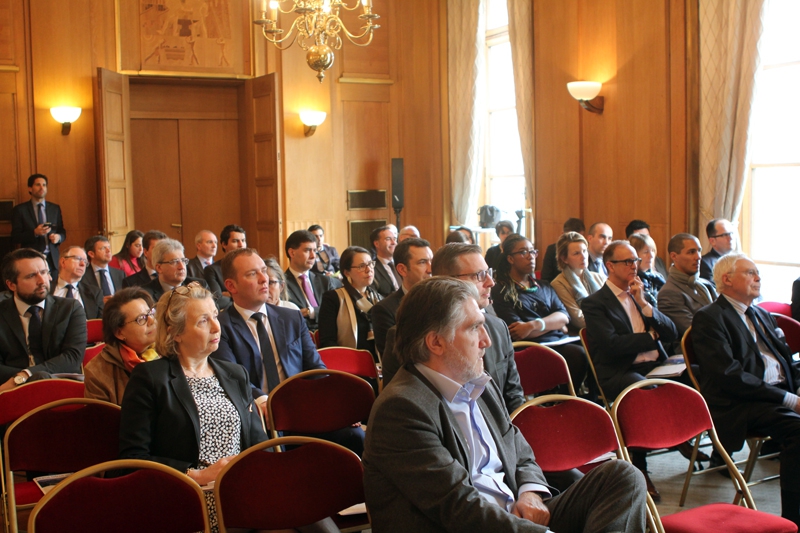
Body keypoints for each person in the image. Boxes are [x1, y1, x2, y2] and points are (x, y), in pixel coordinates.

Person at [363, 277, 647, 533]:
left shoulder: (478, 384)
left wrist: (530, 492)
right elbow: (459, 508)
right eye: (475, 328)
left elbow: (519, 450)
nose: (487, 340)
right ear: (436, 342)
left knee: (621, 476)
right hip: (471, 526)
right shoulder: (402, 409)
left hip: (513, 516)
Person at [119, 283, 267, 533]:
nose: (216, 327)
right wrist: (198, 475)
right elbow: (132, 458)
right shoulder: (151, 378)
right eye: (202, 321)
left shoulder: (235, 373)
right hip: (186, 499)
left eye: (215, 316)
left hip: (242, 495)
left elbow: (258, 444)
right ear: (175, 332)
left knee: (303, 513)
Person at [212, 248, 363, 457]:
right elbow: (233, 379)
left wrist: (335, 401)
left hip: (302, 408)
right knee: (276, 453)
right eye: (252, 274)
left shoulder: (290, 317)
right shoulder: (222, 327)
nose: (264, 279)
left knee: (356, 437)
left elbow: (315, 367)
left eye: (264, 271)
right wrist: (264, 401)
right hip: (259, 414)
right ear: (231, 286)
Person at [691, 253, 800, 527]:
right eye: (750, 272)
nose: (758, 277)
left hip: (775, 396)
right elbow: (730, 377)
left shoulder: (762, 314)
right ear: (727, 279)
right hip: (740, 403)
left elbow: (787, 361)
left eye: (757, 273)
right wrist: (790, 399)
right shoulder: (710, 318)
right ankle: (793, 520)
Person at [581, 240, 685, 501]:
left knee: (696, 373)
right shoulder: (595, 303)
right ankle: (640, 467)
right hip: (619, 370)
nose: (634, 266)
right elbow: (612, 345)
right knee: (642, 392)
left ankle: (690, 434)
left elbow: (672, 333)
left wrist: (646, 305)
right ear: (609, 266)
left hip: (656, 364)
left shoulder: (641, 291)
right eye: (627, 261)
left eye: (636, 261)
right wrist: (651, 337)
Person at [384, 242, 526, 414]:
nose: (491, 282)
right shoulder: (412, 334)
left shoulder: (498, 327)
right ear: (448, 281)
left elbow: (514, 396)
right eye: (479, 275)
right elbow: (403, 403)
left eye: (489, 273)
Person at [491, 234, 588, 396]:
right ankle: (554, 400)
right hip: (530, 348)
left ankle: (566, 401)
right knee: (570, 355)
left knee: (583, 352)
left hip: (557, 343)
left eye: (533, 252)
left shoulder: (544, 286)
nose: (531, 257)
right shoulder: (502, 290)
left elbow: (564, 317)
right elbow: (517, 332)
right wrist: (554, 325)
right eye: (523, 252)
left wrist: (533, 325)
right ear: (510, 259)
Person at [0, 249, 86, 387]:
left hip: (60, 387)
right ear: (11, 285)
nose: (42, 281)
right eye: (31, 276)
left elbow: (72, 358)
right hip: (9, 390)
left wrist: (26, 375)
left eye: (44, 272)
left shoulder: (70, 309)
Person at [84, 288, 158, 404]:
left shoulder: (171, 352)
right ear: (119, 333)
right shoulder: (97, 372)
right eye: (141, 319)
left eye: (151, 313)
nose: (151, 320)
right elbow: (101, 420)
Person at [318, 247, 383, 359]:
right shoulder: (333, 299)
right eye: (362, 266)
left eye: (370, 264)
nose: (369, 269)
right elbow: (328, 342)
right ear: (347, 272)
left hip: (379, 364)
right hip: (348, 365)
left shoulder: (379, 299)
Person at [372, 238, 432, 356]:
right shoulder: (385, 310)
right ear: (402, 269)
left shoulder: (443, 301)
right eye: (422, 262)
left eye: (431, 261)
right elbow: (395, 359)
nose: (430, 269)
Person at [657, 233, 716, 339]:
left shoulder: (706, 285)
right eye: (691, 252)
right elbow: (695, 331)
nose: (698, 257)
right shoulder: (669, 293)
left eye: (699, 251)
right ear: (674, 256)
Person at [284, 230, 343, 330]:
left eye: (314, 251)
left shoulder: (325, 282)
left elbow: (336, 311)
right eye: (307, 250)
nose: (313, 256)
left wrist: (309, 312)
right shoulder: (281, 285)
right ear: (292, 253)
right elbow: (289, 317)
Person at [11, 174, 66, 278]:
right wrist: (34, 233)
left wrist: (59, 237)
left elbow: (62, 231)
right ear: (30, 188)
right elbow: (15, 237)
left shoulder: (55, 208)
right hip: (31, 259)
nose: (42, 188)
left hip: (53, 259)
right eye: (38, 185)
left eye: (44, 185)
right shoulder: (20, 210)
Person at [550, 232, 605, 334]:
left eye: (585, 251)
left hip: (605, 329)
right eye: (576, 253)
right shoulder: (558, 283)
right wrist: (609, 320)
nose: (583, 256)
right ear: (564, 258)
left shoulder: (599, 277)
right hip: (583, 335)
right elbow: (579, 320)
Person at [142, 239, 209, 304]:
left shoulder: (200, 285)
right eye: (175, 262)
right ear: (159, 268)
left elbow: (214, 312)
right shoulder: (145, 294)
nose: (182, 267)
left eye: (183, 261)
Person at [50, 245, 104, 319]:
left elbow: (99, 324)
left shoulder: (95, 293)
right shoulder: (46, 290)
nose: (82, 264)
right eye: (78, 259)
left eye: (85, 261)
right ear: (63, 262)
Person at [204, 224, 247, 310]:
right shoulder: (212, 270)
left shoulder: (251, 267)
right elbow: (218, 301)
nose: (241, 245)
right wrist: (244, 296)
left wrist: (230, 294)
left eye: (243, 240)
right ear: (224, 244)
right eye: (235, 241)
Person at [540, 218, 585, 283]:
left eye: (579, 238)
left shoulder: (585, 250)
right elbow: (546, 279)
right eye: (570, 238)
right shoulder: (552, 250)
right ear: (562, 234)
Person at [82, 235, 125, 302]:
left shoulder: (120, 274)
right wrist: (100, 302)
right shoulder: (83, 275)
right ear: (91, 254)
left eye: (109, 247)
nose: (108, 251)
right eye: (103, 248)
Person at [628, 233, 665, 307]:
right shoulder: (630, 281)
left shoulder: (658, 277)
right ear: (634, 255)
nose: (651, 256)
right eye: (646, 252)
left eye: (653, 251)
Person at [700, 218, 737, 285]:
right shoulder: (705, 263)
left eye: (732, 233)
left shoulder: (740, 260)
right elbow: (713, 291)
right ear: (712, 241)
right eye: (725, 235)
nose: (731, 238)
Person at [370, 225, 401, 297]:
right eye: (388, 239)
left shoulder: (403, 263)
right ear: (377, 244)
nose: (394, 242)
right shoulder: (372, 269)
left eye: (395, 239)